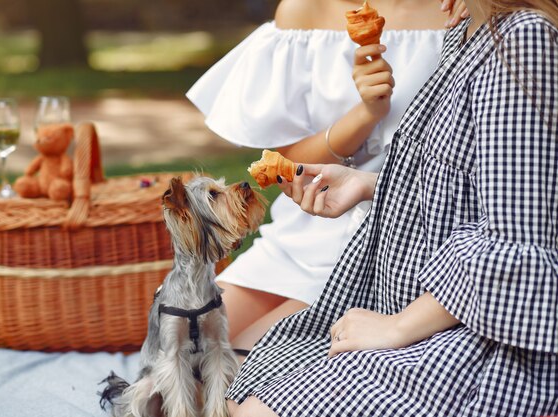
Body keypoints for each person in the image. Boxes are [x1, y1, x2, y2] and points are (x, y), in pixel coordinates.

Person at [226, 0, 558, 415]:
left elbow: (515, 244)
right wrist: (368, 184)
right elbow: (471, 193)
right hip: (398, 298)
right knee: (233, 387)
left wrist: (396, 327)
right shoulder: (466, 29)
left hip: (478, 338)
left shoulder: (523, 39)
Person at [186, 0, 467, 356]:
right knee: (179, 361)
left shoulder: (465, 11)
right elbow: (285, 163)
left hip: (389, 250)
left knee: (232, 377)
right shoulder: (304, 11)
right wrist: (366, 114)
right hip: (299, 238)